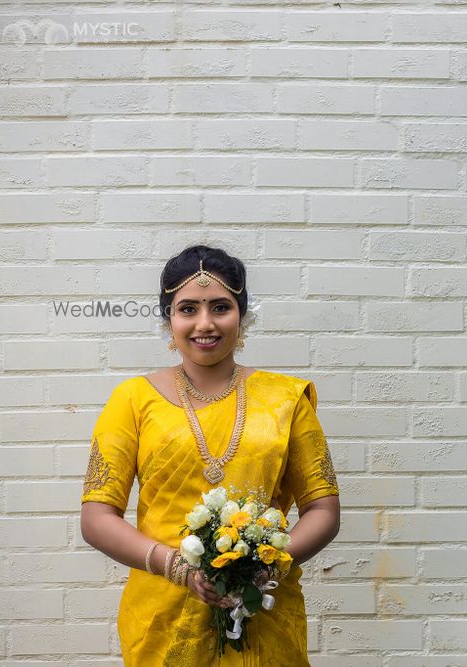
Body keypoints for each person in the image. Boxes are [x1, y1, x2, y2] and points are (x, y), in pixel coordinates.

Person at [79, 244, 340, 666]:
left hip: (262, 607)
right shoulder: (131, 400)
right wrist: (178, 567)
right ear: (170, 319)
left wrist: (266, 565)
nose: (205, 324)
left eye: (221, 307)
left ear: (243, 315)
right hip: (163, 615)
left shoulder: (286, 400)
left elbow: (324, 508)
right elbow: (96, 517)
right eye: (188, 309)